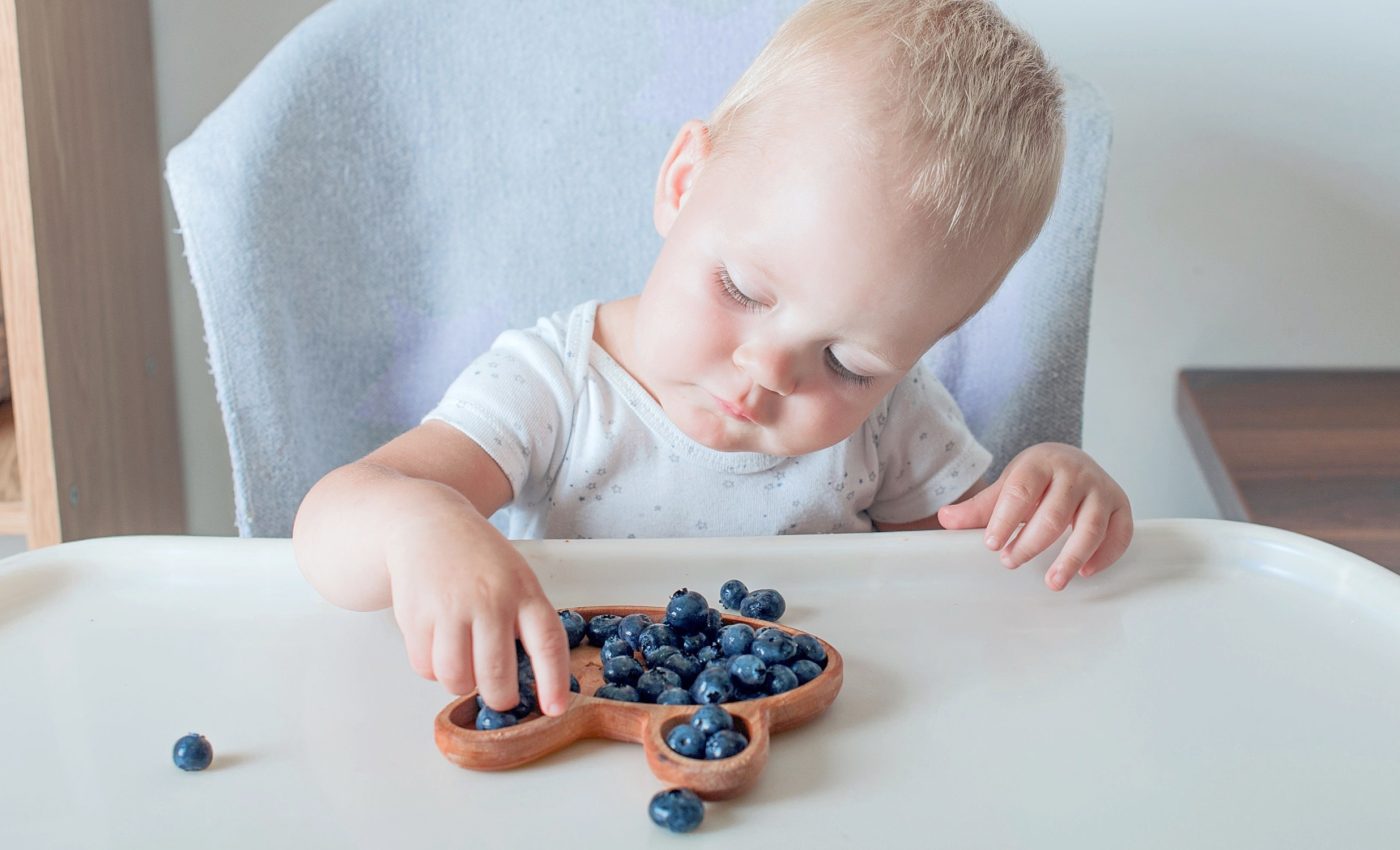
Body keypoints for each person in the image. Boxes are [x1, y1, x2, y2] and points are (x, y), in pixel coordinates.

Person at [292, 0, 1133, 722]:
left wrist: (1055, 497)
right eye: (741, 289)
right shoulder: (555, 386)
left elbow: (958, 591)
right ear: (683, 181)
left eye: (847, 362)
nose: (768, 370)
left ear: (926, 345)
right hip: (575, 728)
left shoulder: (898, 418)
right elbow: (331, 523)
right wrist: (419, 526)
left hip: (823, 755)